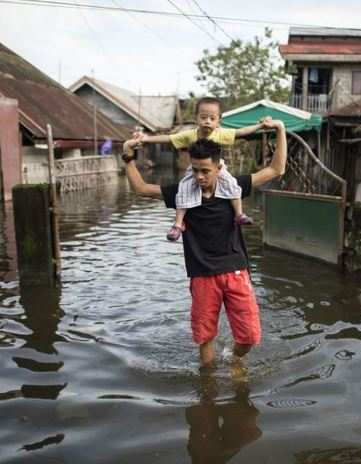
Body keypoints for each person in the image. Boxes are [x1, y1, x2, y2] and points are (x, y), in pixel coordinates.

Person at [122, 118, 287, 368]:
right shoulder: (183, 192)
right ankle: (207, 386)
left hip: (235, 271)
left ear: (219, 168)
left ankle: (233, 358)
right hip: (202, 275)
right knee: (205, 336)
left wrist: (280, 130)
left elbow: (276, 170)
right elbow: (142, 188)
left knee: (250, 336)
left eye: (205, 171)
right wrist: (127, 158)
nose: (199, 176)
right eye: (195, 170)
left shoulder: (233, 187)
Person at [135, 96, 270, 241]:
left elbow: (242, 132)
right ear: (196, 119)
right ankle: (178, 223)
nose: (207, 121)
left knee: (232, 184)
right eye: (203, 117)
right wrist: (146, 139)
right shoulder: (190, 135)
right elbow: (169, 138)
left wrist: (260, 126)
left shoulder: (221, 133)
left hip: (218, 168)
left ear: (219, 121)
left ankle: (239, 214)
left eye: (212, 118)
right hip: (194, 169)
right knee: (184, 189)